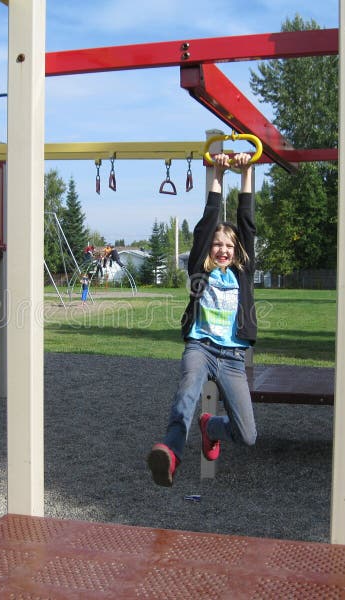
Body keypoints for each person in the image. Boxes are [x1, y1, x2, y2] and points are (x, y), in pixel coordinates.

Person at [147, 153, 258, 487]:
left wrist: (247, 172)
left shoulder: (242, 272)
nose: (222, 249)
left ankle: (210, 426)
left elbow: (247, 223)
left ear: (237, 251)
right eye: (216, 244)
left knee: (248, 436)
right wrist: (217, 175)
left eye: (229, 246)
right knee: (186, 395)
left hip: (233, 357)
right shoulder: (200, 270)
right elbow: (208, 221)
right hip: (201, 348)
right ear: (208, 249)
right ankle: (171, 452)